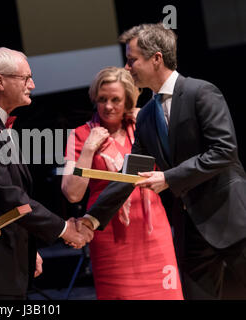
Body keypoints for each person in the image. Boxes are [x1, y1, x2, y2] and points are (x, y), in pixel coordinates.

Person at [81, 23, 246, 299]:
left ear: (156, 58)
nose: (127, 67)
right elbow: (131, 172)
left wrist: (168, 178)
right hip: (191, 230)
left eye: (132, 59)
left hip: (232, 219)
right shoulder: (146, 115)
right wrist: (92, 218)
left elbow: (224, 150)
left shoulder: (201, 92)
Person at [0, 47, 93, 300]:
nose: (33, 85)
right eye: (25, 78)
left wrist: (28, 250)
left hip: (7, 261)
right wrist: (62, 228)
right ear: (0, 81)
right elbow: (7, 196)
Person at [62, 66, 183, 299]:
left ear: (128, 99)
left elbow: (175, 165)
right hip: (109, 238)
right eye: (102, 99)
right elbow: (72, 194)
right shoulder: (80, 135)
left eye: (116, 99)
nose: (108, 106)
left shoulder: (142, 125)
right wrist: (89, 148)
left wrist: (152, 121)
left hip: (154, 233)